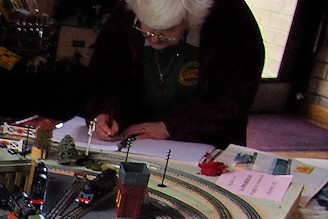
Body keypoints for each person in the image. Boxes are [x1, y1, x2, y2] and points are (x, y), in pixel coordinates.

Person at [86, 0, 264, 147]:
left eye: (168, 31)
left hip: (203, 141)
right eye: (147, 29)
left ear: (192, 17)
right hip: (133, 138)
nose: (155, 39)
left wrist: (169, 127)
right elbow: (104, 77)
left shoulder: (233, 21)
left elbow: (232, 99)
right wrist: (104, 113)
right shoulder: (126, 13)